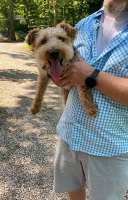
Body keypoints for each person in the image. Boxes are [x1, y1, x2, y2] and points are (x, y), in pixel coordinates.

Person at [52, 0, 128, 199]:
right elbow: (69, 67)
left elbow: (84, 73)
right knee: (73, 191)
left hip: (108, 146)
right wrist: (60, 76)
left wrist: (90, 75)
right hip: (70, 133)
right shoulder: (85, 24)